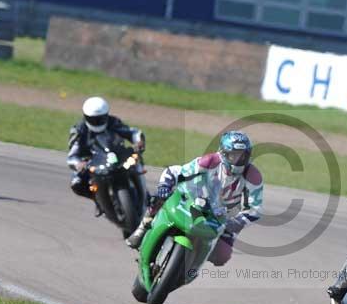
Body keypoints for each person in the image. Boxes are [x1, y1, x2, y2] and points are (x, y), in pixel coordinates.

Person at [125, 131, 263, 267]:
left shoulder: (253, 176)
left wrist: (237, 222)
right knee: (159, 199)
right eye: (234, 155)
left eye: (242, 156)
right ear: (223, 153)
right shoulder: (209, 161)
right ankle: (142, 228)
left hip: (225, 219)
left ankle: (191, 264)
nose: (239, 160)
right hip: (196, 200)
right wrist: (165, 186)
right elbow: (175, 171)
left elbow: (255, 209)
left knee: (221, 257)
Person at [67, 96, 145, 208]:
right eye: (93, 119)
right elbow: (72, 156)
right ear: (86, 117)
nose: (97, 122)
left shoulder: (113, 122)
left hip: (117, 155)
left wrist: (138, 142)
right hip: (91, 161)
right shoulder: (79, 130)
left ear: (106, 115)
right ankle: (98, 200)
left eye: (101, 118)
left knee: (135, 159)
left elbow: (132, 132)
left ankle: (145, 194)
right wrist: (79, 163)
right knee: (76, 183)